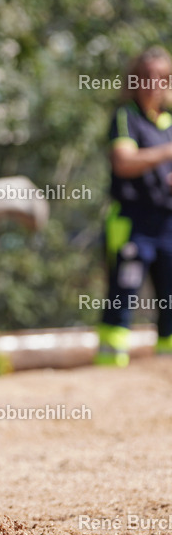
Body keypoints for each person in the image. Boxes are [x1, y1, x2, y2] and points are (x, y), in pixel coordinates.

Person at [97, 46, 172, 366]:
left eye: (160, 77)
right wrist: (168, 151)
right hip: (132, 221)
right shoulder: (125, 116)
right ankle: (111, 360)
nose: (152, 83)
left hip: (167, 220)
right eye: (145, 76)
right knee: (123, 290)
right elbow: (123, 162)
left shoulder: (169, 120)